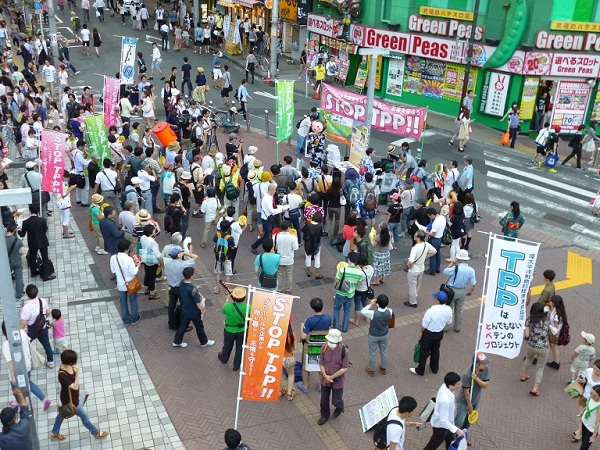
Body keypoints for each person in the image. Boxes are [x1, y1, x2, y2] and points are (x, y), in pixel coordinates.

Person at [50, 350, 109, 441]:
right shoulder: (62, 375)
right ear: (70, 361)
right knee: (84, 417)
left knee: (62, 414)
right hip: (71, 400)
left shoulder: (66, 365)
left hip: (72, 396)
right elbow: (74, 386)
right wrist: (77, 373)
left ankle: (54, 432)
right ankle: (95, 432)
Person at [2, 321, 51, 411]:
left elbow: (10, 362)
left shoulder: (7, 344)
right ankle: (44, 399)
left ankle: (20, 402)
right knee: (28, 382)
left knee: (15, 387)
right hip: (27, 364)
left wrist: (13, 377)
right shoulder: (22, 332)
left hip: (17, 369)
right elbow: (28, 343)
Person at [410, 291, 452, 376]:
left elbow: (424, 325)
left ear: (437, 300)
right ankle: (434, 368)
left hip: (429, 334)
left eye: (435, 297)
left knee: (424, 351)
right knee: (435, 350)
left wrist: (421, 332)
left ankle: (420, 369)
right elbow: (449, 322)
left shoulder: (431, 311)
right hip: (439, 333)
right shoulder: (448, 309)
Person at [172, 267, 216, 348]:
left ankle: (177, 341)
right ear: (191, 276)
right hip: (194, 312)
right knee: (199, 327)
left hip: (185, 309)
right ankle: (204, 342)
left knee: (183, 326)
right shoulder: (192, 289)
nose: (195, 274)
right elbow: (198, 303)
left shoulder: (182, 283)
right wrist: (203, 310)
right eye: (194, 273)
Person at [297, 298, 332, 394]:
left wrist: (301, 326)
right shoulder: (328, 317)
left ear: (312, 308)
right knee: (321, 365)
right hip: (323, 346)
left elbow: (304, 336)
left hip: (310, 347)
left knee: (305, 367)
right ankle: (320, 384)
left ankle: (305, 387)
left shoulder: (309, 321)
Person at [455, 353, 490, 446]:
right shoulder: (466, 375)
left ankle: (463, 435)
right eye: (484, 363)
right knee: (459, 421)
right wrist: (469, 405)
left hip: (475, 400)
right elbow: (466, 392)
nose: (486, 365)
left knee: (469, 420)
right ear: (477, 364)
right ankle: (451, 435)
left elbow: (486, 385)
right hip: (464, 401)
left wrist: (476, 379)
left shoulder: (485, 370)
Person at [422, 372, 464, 450]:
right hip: (441, 427)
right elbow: (443, 420)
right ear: (451, 386)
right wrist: (457, 430)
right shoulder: (446, 401)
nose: (460, 385)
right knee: (431, 446)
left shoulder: (445, 386)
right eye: (458, 384)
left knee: (451, 440)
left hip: (446, 425)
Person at [317, 329, 350, 426]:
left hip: (337, 380)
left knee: (336, 400)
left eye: (332, 342)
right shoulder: (324, 348)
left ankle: (339, 407)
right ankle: (324, 415)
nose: (330, 343)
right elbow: (321, 363)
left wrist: (331, 377)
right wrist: (325, 376)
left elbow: (344, 368)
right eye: (329, 341)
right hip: (325, 379)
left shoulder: (344, 351)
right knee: (324, 398)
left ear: (338, 342)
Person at [442, 249, 476, 333]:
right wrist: (471, 291)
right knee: (459, 309)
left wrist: (452, 263)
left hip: (451, 290)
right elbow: (473, 283)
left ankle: (445, 328)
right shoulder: (471, 270)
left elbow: (445, 271)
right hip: (462, 291)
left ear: (459, 259)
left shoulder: (455, 268)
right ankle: (457, 327)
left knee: (449, 309)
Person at [163, 245, 197, 329]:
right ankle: (182, 325)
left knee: (171, 305)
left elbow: (166, 273)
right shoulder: (182, 264)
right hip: (181, 288)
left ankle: (171, 323)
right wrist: (186, 253)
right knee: (183, 306)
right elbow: (195, 257)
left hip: (171, 288)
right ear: (179, 255)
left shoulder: (167, 264)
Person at [521, 302, 550, 396]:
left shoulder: (529, 320)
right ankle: (535, 388)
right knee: (540, 368)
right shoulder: (547, 319)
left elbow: (526, 335)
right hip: (544, 347)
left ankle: (524, 375)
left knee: (528, 359)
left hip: (532, 345)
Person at [18, 204, 54, 281]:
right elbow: (45, 229)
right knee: (45, 258)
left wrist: (18, 230)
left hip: (32, 242)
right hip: (42, 241)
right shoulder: (42, 220)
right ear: (38, 211)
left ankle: (33, 272)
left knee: (33, 257)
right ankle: (45, 276)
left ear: (30, 210)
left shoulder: (26, 222)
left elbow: (22, 234)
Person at [110, 240, 141, 325]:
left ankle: (126, 320)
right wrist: (138, 266)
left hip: (120, 284)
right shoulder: (129, 259)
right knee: (133, 302)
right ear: (127, 249)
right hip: (131, 283)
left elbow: (113, 270)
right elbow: (133, 272)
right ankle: (134, 319)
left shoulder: (113, 258)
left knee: (123, 302)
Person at [218, 286, 248, 372]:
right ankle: (236, 365)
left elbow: (223, 310)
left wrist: (227, 299)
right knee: (240, 348)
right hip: (242, 330)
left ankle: (224, 358)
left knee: (227, 345)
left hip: (229, 330)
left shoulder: (228, 306)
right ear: (244, 297)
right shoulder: (248, 307)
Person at [361, 294, 392, 377]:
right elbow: (388, 310)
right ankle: (384, 368)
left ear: (377, 303)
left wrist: (371, 304)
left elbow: (363, 311)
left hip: (373, 335)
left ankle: (371, 370)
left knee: (372, 353)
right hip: (384, 334)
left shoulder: (373, 313)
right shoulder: (390, 311)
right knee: (384, 351)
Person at [405, 231, 436, 308]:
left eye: (415, 236)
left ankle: (412, 302)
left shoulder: (415, 248)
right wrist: (426, 256)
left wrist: (408, 266)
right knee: (418, 284)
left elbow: (411, 261)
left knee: (412, 286)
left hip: (413, 270)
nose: (414, 237)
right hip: (421, 268)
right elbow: (434, 251)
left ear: (418, 238)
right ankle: (415, 295)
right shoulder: (426, 244)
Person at [333, 251, 363, 332]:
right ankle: (344, 328)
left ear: (348, 259)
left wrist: (337, 272)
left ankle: (335, 327)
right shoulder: (359, 272)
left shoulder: (343, 270)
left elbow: (336, 280)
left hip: (340, 293)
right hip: (350, 294)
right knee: (347, 310)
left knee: (336, 309)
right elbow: (359, 283)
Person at [275, 221, 298, 294]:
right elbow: (295, 248)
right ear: (288, 228)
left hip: (279, 259)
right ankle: (288, 289)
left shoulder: (275, 236)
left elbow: (274, 247)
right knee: (289, 275)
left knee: (279, 275)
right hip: (289, 260)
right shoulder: (293, 237)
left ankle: (279, 289)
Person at [546, 295, 568, 370]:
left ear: (554, 303)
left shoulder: (557, 316)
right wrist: (548, 312)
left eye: (552, 301)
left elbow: (555, 328)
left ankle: (556, 362)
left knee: (554, 347)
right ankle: (556, 362)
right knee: (553, 347)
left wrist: (548, 325)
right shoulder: (558, 310)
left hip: (553, 334)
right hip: (554, 333)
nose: (550, 302)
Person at [5, 222, 25, 298]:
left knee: (5, 277)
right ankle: (19, 293)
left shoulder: (2, 241)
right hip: (16, 260)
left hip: (6, 262)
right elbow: (22, 252)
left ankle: (5, 294)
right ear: (14, 231)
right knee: (19, 277)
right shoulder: (18, 241)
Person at [425, 207, 446, 276]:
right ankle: (437, 268)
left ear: (431, 215)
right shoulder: (442, 218)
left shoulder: (435, 223)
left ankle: (432, 270)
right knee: (438, 253)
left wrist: (425, 231)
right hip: (440, 238)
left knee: (432, 255)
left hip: (434, 239)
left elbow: (433, 234)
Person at [302, 211, 323, 279]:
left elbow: (304, 232)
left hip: (308, 244)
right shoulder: (320, 226)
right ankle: (317, 273)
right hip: (316, 244)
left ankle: (309, 271)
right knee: (317, 258)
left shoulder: (308, 224)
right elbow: (320, 235)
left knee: (308, 257)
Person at [579, 385, 600, 450]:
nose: (591, 396)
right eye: (591, 393)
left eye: (594, 395)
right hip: (585, 422)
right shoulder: (591, 398)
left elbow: (597, 422)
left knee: (584, 447)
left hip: (591, 429)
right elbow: (588, 405)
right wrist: (583, 410)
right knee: (583, 441)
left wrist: (593, 437)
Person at [280, 322, 297, 400]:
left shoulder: (276, 334)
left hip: (278, 358)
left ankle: (279, 391)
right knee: (291, 374)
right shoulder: (292, 334)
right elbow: (295, 347)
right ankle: (289, 394)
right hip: (289, 358)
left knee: (278, 375)